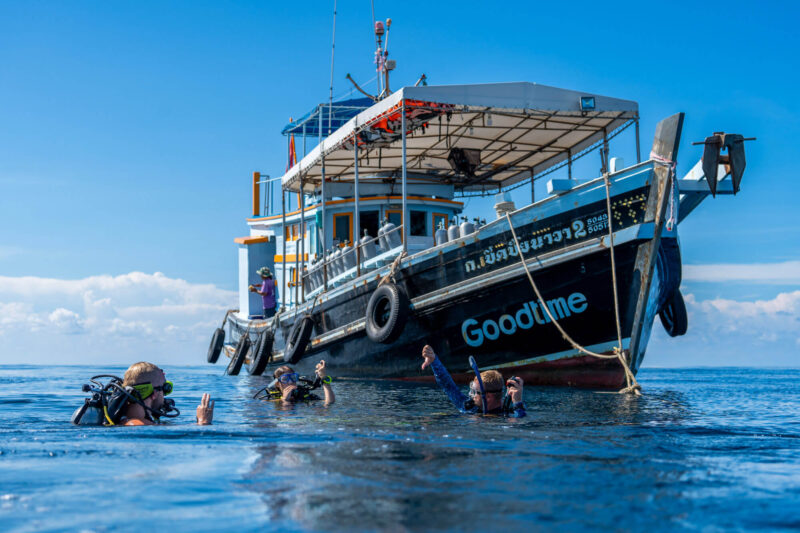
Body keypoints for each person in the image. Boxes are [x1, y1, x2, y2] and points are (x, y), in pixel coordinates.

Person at [420, 345, 525, 417]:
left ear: (488, 397)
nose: (471, 395)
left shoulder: (508, 415)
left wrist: (518, 403)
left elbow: (519, 425)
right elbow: (448, 386)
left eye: (475, 392)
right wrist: (434, 361)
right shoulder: (470, 407)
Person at [118, 362, 214, 426]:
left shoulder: (123, 419)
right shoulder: (137, 425)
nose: (164, 396)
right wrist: (203, 421)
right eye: (165, 389)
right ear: (154, 393)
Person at [269, 360, 335, 405]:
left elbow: (329, 403)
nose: (290, 382)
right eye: (285, 379)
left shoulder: (303, 394)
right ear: (277, 384)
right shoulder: (272, 398)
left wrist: (323, 377)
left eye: (293, 378)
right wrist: (284, 400)